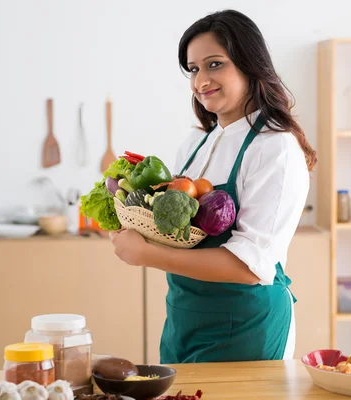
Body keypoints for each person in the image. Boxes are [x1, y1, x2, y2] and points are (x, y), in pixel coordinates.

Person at [110, 9, 317, 364]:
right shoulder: (194, 144)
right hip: (183, 319)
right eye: (193, 69)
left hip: (246, 326)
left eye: (215, 64)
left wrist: (145, 254)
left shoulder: (276, 148)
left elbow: (250, 267)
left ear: (249, 64)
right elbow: (176, 232)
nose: (201, 80)